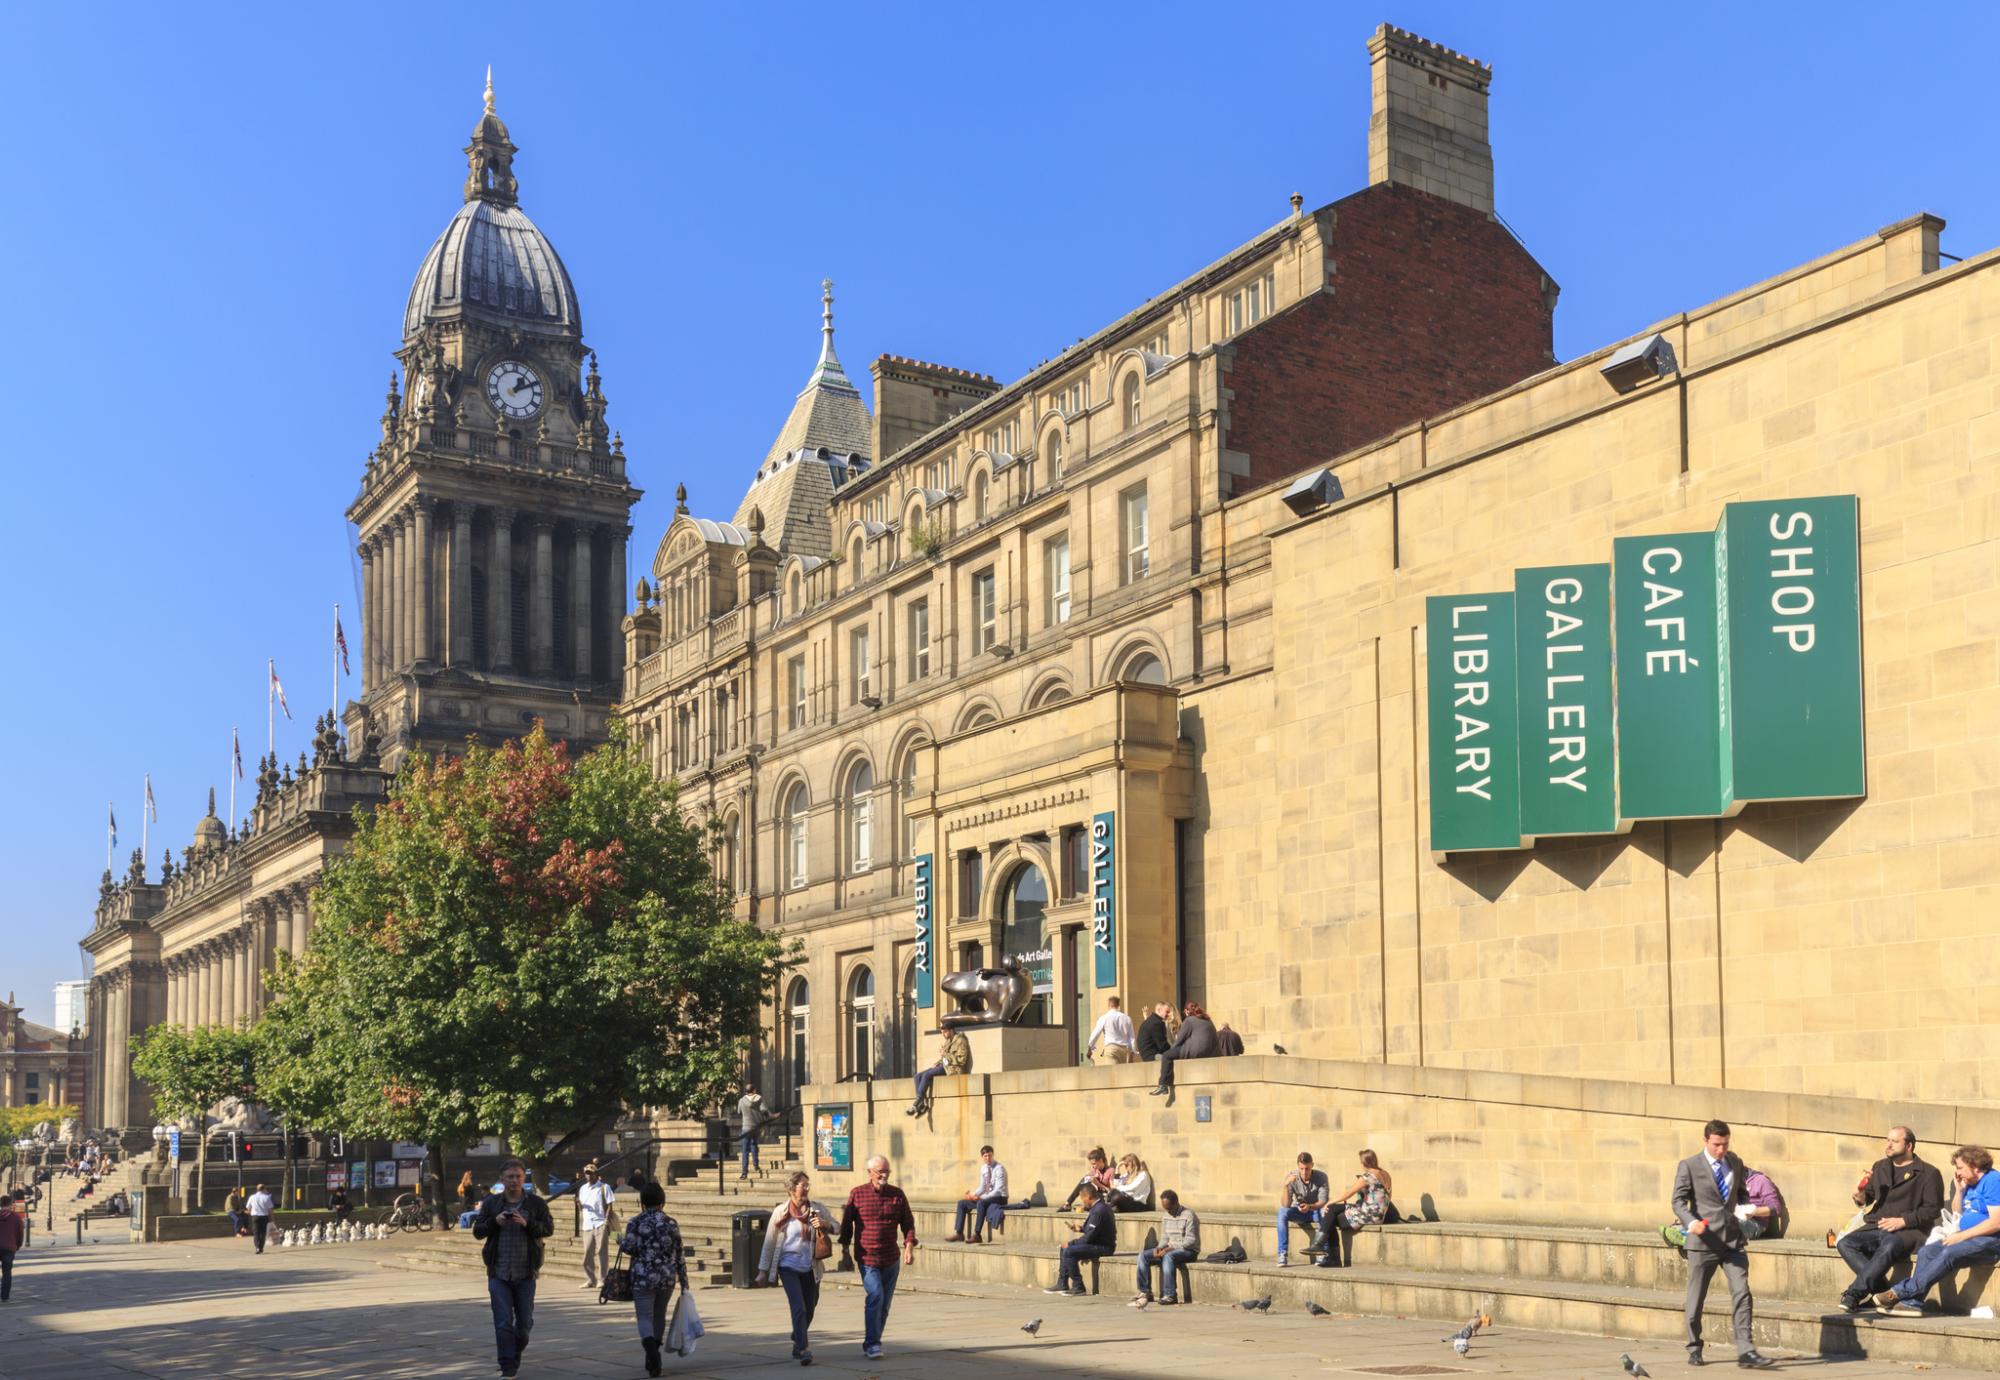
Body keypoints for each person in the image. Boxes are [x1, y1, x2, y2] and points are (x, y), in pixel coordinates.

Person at [1670, 1119, 1775, 1369]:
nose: (1721, 1149)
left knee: (1742, 1292)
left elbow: (1741, 1193)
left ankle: (1746, 1350)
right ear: (1706, 1140)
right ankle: (1694, 1346)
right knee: (1696, 1298)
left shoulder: (1735, 1162)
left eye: (1725, 1144)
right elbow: (1678, 1200)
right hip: (1703, 1241)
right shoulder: (1689, 1165)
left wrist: (1744, 1209)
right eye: (1717, 1144)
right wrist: (1690, 1221)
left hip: (1732, 1241)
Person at [1876, 1145, 2000, 1316]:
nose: (1957, 1172)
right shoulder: (1970, 1183)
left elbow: (1996, 1222)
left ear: (1975, 1165)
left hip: (1991, 1241)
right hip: (1966, 1237)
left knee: (1949, 1253)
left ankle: (1900, 1291)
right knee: (1927, 1251)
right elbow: (1958, 1213)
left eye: (1960, 1167)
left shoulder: (1993, 1181)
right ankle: (1912, 1303)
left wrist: (1961, 1236)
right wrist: (1960, 1191)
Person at [1836, 1126, 1943, 1313]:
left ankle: (1854, 1293)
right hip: (1877, 1224)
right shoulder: (1880, 1167)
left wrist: (1903, 1221)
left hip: (1909, 1230)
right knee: (1845, 1243)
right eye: (1888, 1140)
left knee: (1890, 1245)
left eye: (1895, 1141)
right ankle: (1883, 1292)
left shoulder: (1928, 1173)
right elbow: (1867, 1198)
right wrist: (1859, 1195)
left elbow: (1933, 1209)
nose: (1889, 1145)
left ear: (1909, 1145)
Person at [473, 1158, 556, 1379]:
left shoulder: (536, 1204)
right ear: (502, 1179)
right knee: (502, 1322)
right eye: (510, 1177)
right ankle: (507, 1365)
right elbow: (478, 1231)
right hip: (499, 1272)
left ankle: (514, 1351)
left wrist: (528, 1224)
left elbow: (548, 1229)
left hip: (526, 1272)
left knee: (524, 1324)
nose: (514, 1181)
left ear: (524, 1178)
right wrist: (495, 1222)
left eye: (518, 1176)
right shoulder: (492, 1204)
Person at [837, 1154, 917, 1361]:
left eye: (887, 1171)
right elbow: (847, 1226)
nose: (884, 1175)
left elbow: (908, 1223)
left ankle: (873, 1340)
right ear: (870, 1173)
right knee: (875, 1296)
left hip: (891, 1257)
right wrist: (844, 1252)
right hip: (867, 1257)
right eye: (880, 1171)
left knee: (884, 1304)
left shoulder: (897, 1195)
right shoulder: (858, 1194)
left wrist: (909, 1247)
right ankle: (873, 1344)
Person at [757, 1170, 837, 1366]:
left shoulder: (816, 1209)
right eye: (803, 1185)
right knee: (799, 1307)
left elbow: (838, 1226)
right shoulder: (781, 1212)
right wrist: (762, 1271)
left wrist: (825, 1224)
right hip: (788, 1266)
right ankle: (803, 1349)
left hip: (811, 1266)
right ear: (791, 1189)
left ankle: (797, 1334)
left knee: (810, 1307)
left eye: (808, 1185)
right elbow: (769, 1242)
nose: (807, 1188)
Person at [620, 1179, 687, 1377]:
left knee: (644, 1317)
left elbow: (629, 1248)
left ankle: (650, 1351)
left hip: (643, 1277)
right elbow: (679, 1253)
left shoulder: (635, 1222)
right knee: (659, 1315)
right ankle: (655, 1352)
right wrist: (684, 1280)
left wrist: (620, 1241)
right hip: (666, 1277)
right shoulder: (671, 1223)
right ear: (662, 1201)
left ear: (642, 1201)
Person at [1317, 1149, 1392, 1268]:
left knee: (1331, 1215)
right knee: (1332, 1211)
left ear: (1364, 1163)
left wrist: (1329, 1202)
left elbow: (1348, 1193)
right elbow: (1382, 1197)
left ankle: (1332, 1256)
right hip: (1378, 1215)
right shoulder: (1385, 1174)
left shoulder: (1367, 1176)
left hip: (1367, 1216)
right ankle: (1324, 1249)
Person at [1045, 1183, 1117, 1297]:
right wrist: (1081, 1229)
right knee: (1065, 1249)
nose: (1083, 1202)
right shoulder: (1099, 1207)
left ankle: (1078, 1286)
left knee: (1068, 1250)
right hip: (1098, 1242)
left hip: (1104, 1247)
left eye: (1083, 1199)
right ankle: (1062, 1283)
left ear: (1088, 1197)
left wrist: (1071, 1243)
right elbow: (1094, 1230)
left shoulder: (1099, 1210)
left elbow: (1089, 1237)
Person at [1133, 1189, 1200, 1306]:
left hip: (1188, 1251)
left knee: (1168, 1257)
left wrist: (1171, 1248)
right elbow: (1165, 1237)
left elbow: (1191, 1240)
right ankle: (1145, 1292)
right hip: (1169, 1248)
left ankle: (1170, 1295)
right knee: (1143, 1256)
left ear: (1176, 1203)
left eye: (1169, 1208)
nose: (1168, 1211)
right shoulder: (1165, 1216)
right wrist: (1159, 1248)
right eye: (1165, 1208)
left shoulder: (1189, 1215)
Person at [1150, 1001, 1218, 1095]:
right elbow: (1215, 1038)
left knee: (1166, 1056)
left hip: (1193, 1051)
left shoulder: (1189, 1020)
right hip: (1209, 1052)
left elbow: (1179, 1040)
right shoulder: (1208, 1020)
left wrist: (1171, 1051)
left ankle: (1162, 1085)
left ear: (1186, 1011)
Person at [1275, 1151, 1328, 1266]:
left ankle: (1322, 1252)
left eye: (1307, 1169)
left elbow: (1323, 1202)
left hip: (1315, 1210)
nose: (1304, 1172)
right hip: (1298, 1211)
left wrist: (1310, 1206)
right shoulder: (1292, 1176)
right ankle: (1282, 1254)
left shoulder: (1321, 1177)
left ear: (1312, 1165)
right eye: (1302, 1169)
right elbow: (1286, 1205)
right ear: (1298, 1166)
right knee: (1282, 1212)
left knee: (1325, 1211)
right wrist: (1285, 1186)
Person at [950, 1146, 1008, 1243]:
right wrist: (972, 1195)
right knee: (962, 1203)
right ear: (982, 1157)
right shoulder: (983, 1168)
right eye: (985, 1156)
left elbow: (998, 1190)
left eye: (989, 1155)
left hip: (1000, 1197)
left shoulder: (999, 1169)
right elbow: (982, 1187)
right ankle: (959, 1233)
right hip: (987, 1197)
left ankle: (977, 1235)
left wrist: (980, 1198)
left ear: (993, 1155)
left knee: (981, 1203)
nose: (988, 1158)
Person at [907, 1029, 970, 1116]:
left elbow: (961, 1060)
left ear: (951, 1030)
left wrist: (945, 1054)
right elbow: (944, 1059)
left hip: (952, 1069)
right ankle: (922, 1105)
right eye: (942, 1032)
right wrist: (937, 1063)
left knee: (926, 1075)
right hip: (943, 1065)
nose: (943, 1034)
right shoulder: (948, 1041)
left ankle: (918, 1101)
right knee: (917, 1076)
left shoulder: (961, 1041)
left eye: (945, 1032)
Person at [575, 1161, 615, 1291]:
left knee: (601, 1251)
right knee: (588, 1252)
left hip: (600, 1222)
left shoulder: (604, 1187)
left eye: (591, 1173)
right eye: (587, 1174)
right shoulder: (583, 1189)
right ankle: (591, 1279)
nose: (589, 1176)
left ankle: (602, 1279)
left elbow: (610, 1205)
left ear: (596, 1174)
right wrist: (578, 1204)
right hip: (587, 1224)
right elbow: (582, 1208)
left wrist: (606, 1221)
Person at [1059, 1148, 1116, 1212]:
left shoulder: (1111, 1170)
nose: (1093, 1166)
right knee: (1083, 1182)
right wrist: (1088, 1177)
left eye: (1094, 1163)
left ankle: (1074, 1206)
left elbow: (1110, 1189)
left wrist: (1098, 1183)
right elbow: (1087, 1182)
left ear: (1100, 1160)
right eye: (1091, 1164)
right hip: (1095, 1194)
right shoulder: (1094, 1169)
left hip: (1104, 1195)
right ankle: (1068, 1203)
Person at [1086, 996, 1137, 1064]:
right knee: (1121, 1073)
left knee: (1111, 1073)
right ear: (1118, 1005)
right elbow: (1132, 1038)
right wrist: (1132, 1052)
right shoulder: (1127, 1018)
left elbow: (1096, 1034)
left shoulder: (1104, 1018)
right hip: (1123, 1050)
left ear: (1109, 1005)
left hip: (1111, 1048)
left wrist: (1090, 1047)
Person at [738, 1082, 769, 1180]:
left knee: (745, 1150)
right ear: (754, 1090)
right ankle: (756, 1164)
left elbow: (739, 1112)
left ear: (746, 1091)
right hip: (756, 1127)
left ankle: (744, 1172)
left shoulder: (742, 1100)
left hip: (746, 1127)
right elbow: (764, 1110)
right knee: (754, 1144)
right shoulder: (759, 1098)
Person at [0, 1193, 26, 1302]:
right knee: (7, 1271)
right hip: (9, 1247)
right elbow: (20, 1233)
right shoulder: (15, 1217)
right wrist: (18, 1245)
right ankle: (5, 1295)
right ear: (10, 1204)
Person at [246, 1183, 275, 1255]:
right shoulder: (267, 1197)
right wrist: (273, 1218)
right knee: (263, 1233)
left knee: (256, 1233)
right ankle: (261, 1248)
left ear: (257, 1189)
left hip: (255, 1216)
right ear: (264, 1189)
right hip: (264, 1216)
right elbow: (270, 1209)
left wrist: (250, 1212)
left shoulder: (252, 1197)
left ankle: (257, 1247)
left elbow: (248, 1207)